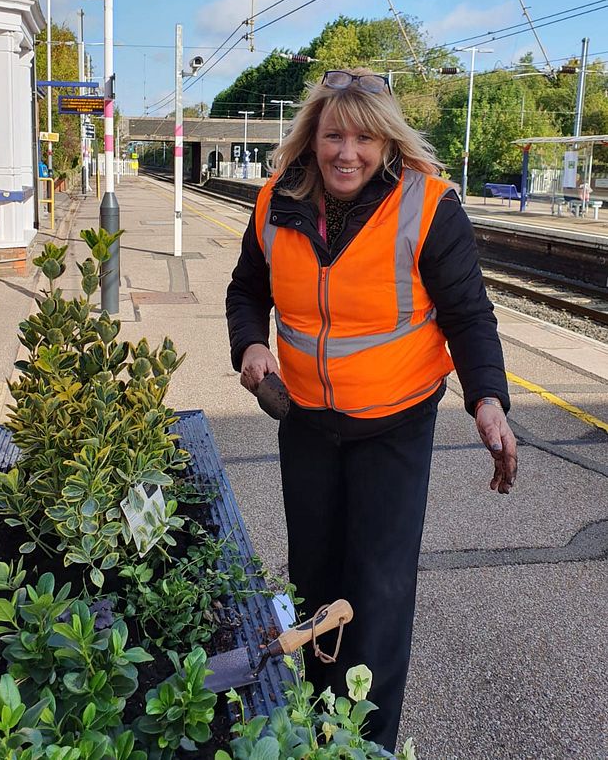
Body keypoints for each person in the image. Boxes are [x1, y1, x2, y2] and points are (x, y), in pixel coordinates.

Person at [225, 69, 517, 752]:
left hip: (394, 426)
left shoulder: (429, 206)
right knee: (317, 582)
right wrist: (250, 345)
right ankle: (320, 724)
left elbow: (469, 315)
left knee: (378, 595)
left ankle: (365, 744)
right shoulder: (275, 203)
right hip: (307, 424)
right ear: (312, 138)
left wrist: (487, 399)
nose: (346, 152)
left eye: (364, 136)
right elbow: (246, 289)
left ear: (387, 141)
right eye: (333, 135)